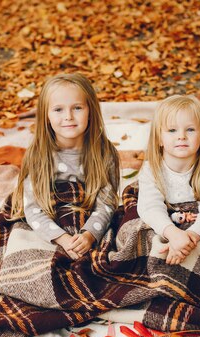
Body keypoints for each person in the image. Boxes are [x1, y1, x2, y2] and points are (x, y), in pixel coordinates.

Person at [10, 73, 120, 260]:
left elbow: (107, 204)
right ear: (46, 115)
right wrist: (63, 239)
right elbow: (33, 209)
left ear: (90, 110)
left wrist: (88, 236)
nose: (68, 117)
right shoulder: (39, 155)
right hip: (49, 224)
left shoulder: (104, 153)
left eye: (77, 108)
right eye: (58, 110)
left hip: (90, 221)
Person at [137, 94, 200, 265]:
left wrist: (191, 237)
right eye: (172, 130)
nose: (182, 136)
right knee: (139, 235)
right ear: (159, 138)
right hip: (164, 225)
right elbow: (150, 208)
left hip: (197, 225)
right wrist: (173, 234)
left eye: (190, 129)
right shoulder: (151, 170)